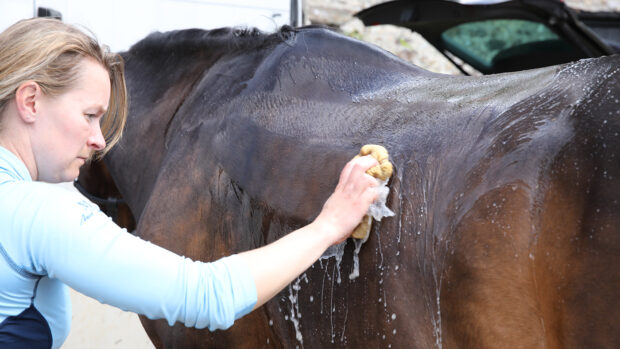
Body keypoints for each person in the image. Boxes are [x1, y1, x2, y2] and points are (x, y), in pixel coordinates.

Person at [0, 18, 380, 349]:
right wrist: (328, 226)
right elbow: (207, 296)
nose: (99, 140)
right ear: (31, 101)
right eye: (89, 115)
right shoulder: (35, 213)